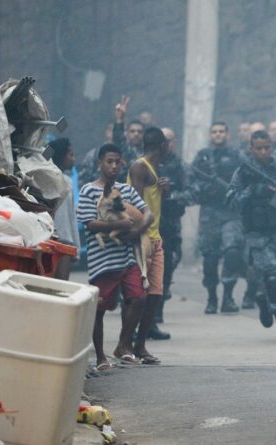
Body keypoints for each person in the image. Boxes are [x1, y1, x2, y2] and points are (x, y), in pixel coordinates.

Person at [77, 143, 153, 370]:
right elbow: (89, 223)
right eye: (108, 161)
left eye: (117, 162)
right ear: (99, 163)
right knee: (99, 309)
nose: (113, 166)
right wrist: (119, 223)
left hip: (126, 257)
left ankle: (123, 345)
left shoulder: (126, 190)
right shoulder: (88, 190)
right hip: (102, 260)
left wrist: (136, 231)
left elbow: (147, 212)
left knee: (139, 297)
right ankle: (100, 357)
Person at [227, 130, 276, 345]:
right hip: (257, 233)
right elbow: (231, 201)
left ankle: (266, 300)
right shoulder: (244, 172)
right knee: (273, 275)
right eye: (259, 148)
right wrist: (255, 190)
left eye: (267, 147)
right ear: (252, 148)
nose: (264, 151)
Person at [192, 122, 245, 314]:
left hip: (231, 212)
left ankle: (228, 295)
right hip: (209, 213)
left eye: (221, 131)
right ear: (209, 135)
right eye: (214, 132)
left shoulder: (237, 156)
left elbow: (247, 178)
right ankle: (212, 297)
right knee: (210, 256)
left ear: (227, 134)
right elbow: (192, 181)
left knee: (233, 250)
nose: (218, 135)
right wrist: (206, 189)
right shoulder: (202, 157)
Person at [127, 127, 171, 357]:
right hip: (143, 238)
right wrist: (140, 236)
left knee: (154, 294)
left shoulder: (153, 168)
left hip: (155, 237)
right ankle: (127, 343)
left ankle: (140, 345)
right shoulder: (140, 167)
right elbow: (135, 206)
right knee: (139, 296)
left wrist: (164, 192)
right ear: (163, 146)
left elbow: (151, 201)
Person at [154, 127, 187, 337]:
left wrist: (170, 194)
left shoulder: (179, 166)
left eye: (169, 141)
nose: (165, 145)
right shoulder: (147, 163)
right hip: (150, 223)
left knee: (167, 269)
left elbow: (191, 191)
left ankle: (157, 312)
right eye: (161, 141)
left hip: (171, 223)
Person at [50, 138, 80, 280]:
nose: (73, 158)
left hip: (65, 241)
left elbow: (71, 217)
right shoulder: (48, 178)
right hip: (52, 238)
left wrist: (75, 246)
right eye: (71, 154)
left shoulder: (68, 181)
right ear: (61, 156)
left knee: (62, 283)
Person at [112, 96, 145, 180]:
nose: (136, 134)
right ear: (127, 133)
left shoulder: (147, 153)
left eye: (139, 131)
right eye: (132, 131)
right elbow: (118, 138)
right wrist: (120, 119)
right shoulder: (124, 149)